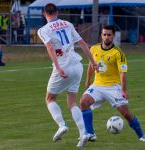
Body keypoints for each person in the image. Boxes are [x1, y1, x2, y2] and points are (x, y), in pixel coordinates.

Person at [37, 3, 98, 147]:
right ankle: (83, 133)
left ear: (44, 13)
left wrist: (58, 68)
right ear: (57, 12)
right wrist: (93, 62)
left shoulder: (43, 30)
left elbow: (50, 48)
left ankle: (62, 125)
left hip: (63, 66)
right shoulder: (67, 23)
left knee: (50, 98)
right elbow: (83, 44)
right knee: (72, 102)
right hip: (77, 65)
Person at [80, 25, 145, 142]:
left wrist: (124, 90)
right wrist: (88, 80)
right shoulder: (94, 48)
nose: (106, 37)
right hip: (97, 86)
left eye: (109, 35)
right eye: (104, 34)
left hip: (113, 87)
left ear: (113, 36)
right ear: (101, 35)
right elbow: (91, 65)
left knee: (125, 113)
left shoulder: (118, 53)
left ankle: (141, 135)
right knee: (84, 102)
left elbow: (123, 73)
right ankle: (90, 133)